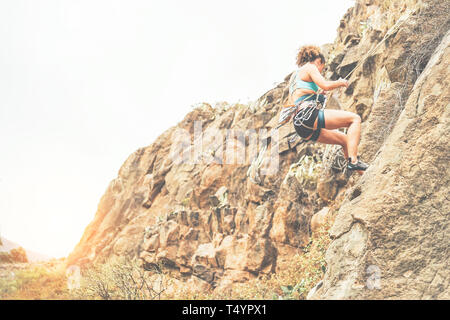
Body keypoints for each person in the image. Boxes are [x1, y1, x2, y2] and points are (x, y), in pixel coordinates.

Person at [287, 45, 368, 172]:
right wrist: (340, 82)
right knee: (355, 119)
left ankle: (360, 174)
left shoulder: (294, 77)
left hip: (300, 125)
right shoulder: (310, 67)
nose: (320, 72)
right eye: (321, 69)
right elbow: (325, 84)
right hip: (308, 116)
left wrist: (317, 96)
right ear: (319, 61)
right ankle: (354, 161)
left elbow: (298, 99)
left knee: (344, 140)